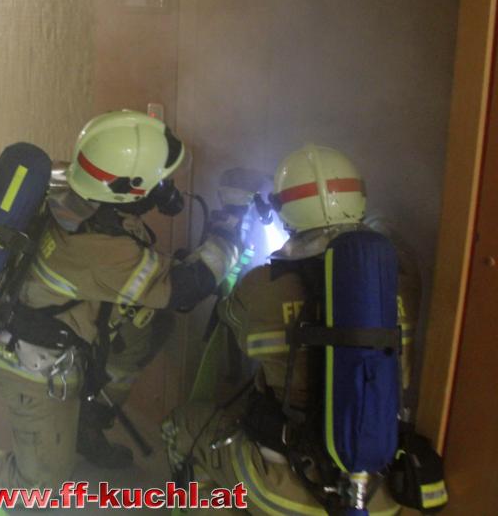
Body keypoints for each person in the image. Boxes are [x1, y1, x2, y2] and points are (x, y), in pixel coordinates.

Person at [0, 110, 255, 494]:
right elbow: (185, 290)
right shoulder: (102, 251)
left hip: (46, 320)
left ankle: (86, 425)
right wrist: (231, 229)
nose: (166, 189)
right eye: (159, 182)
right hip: (29, 365)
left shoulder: (71, 186)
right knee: (38, 486)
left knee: (147, 324)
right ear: (129, 188)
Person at [163, 144, 421, 514]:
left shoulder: (261, 285)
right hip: (381, 491)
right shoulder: (404, 274)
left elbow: (229, 319)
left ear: (285, 211)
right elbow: (381, 230)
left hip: (287, 485)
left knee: (185, 425)